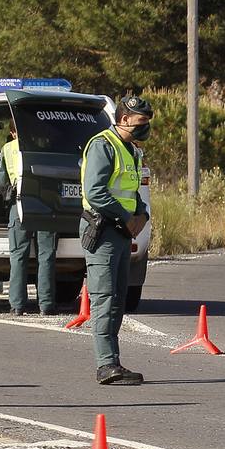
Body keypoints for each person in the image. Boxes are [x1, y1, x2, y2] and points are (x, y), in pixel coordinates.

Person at [80, 96, 152, 386]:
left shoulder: (132, 151)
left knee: (118, 300)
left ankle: (114, 362)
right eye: (141, 123)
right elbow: (95, 192)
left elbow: (132, 190)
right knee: (104, 300)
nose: (145, 128)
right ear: (124, 120)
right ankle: (106, 365)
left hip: (122, 232)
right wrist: (126, 216)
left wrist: (142, 214)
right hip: (104, 230)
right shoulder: (103, 146)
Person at [0, 121, 58, 316]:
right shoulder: (45, 146)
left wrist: (8, 196)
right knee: (46, 255)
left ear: (13, 132)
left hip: (20, 204)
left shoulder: (7, 149)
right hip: (46, 205)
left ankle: (17, 305)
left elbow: (1, 181)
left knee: (18, 256)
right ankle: (46, 305)